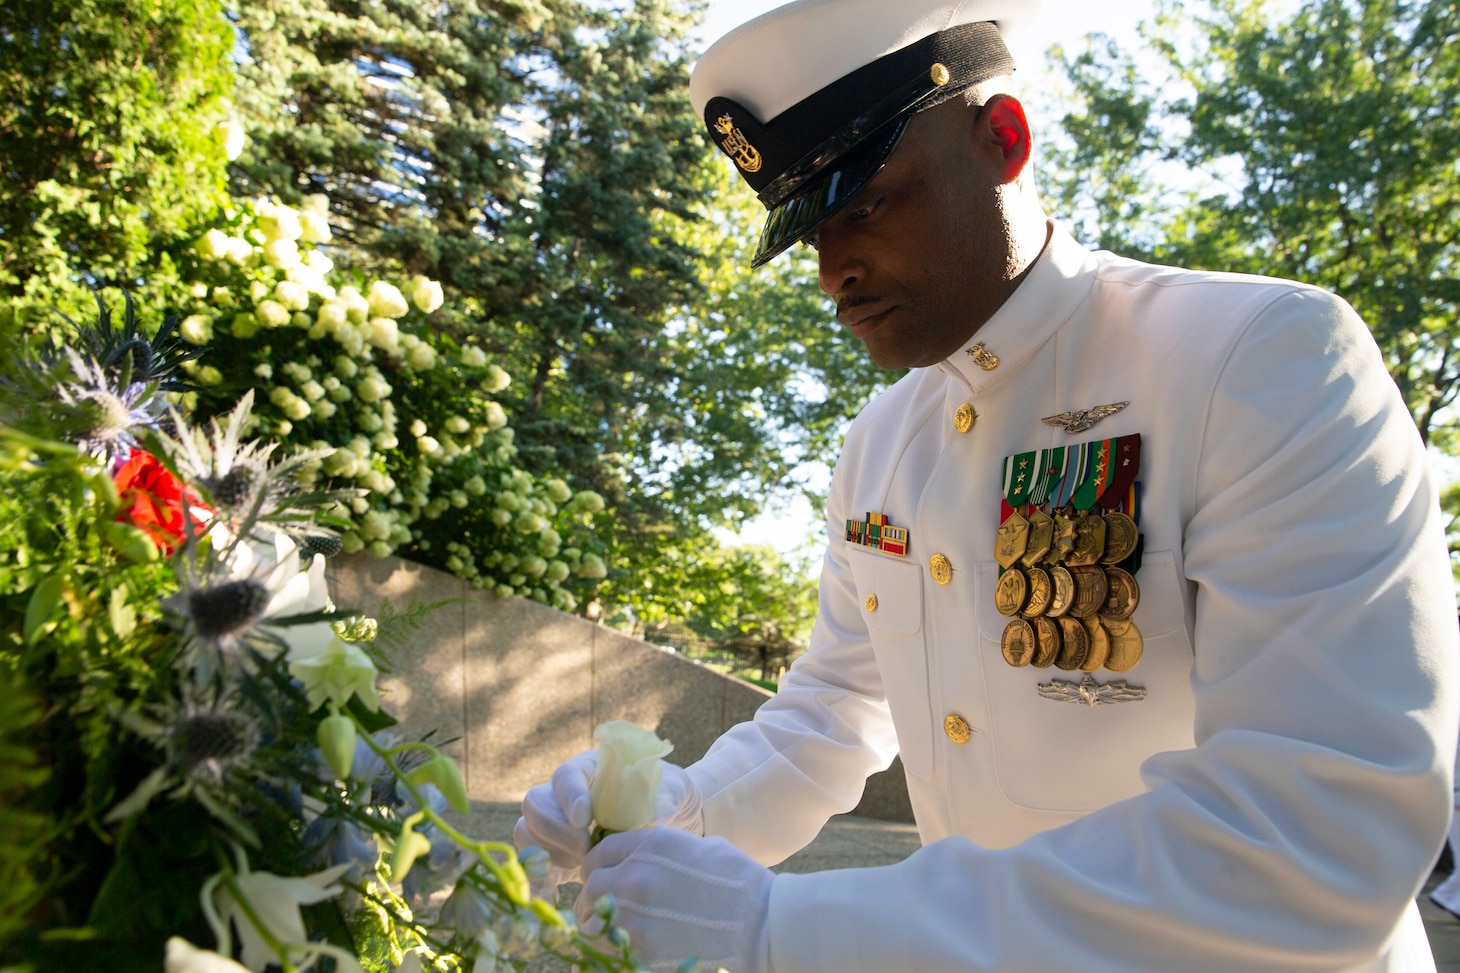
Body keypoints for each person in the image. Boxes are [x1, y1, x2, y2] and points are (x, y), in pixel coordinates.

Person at [516, 1, 1460, 970]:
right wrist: (675, 815)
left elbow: (1316, 835)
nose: (833, 271)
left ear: (1001, 139)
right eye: (806, 234)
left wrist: (792, 929)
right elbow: (837, 705)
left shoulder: (1250, 359)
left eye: (864, 207)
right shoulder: (881, 443)